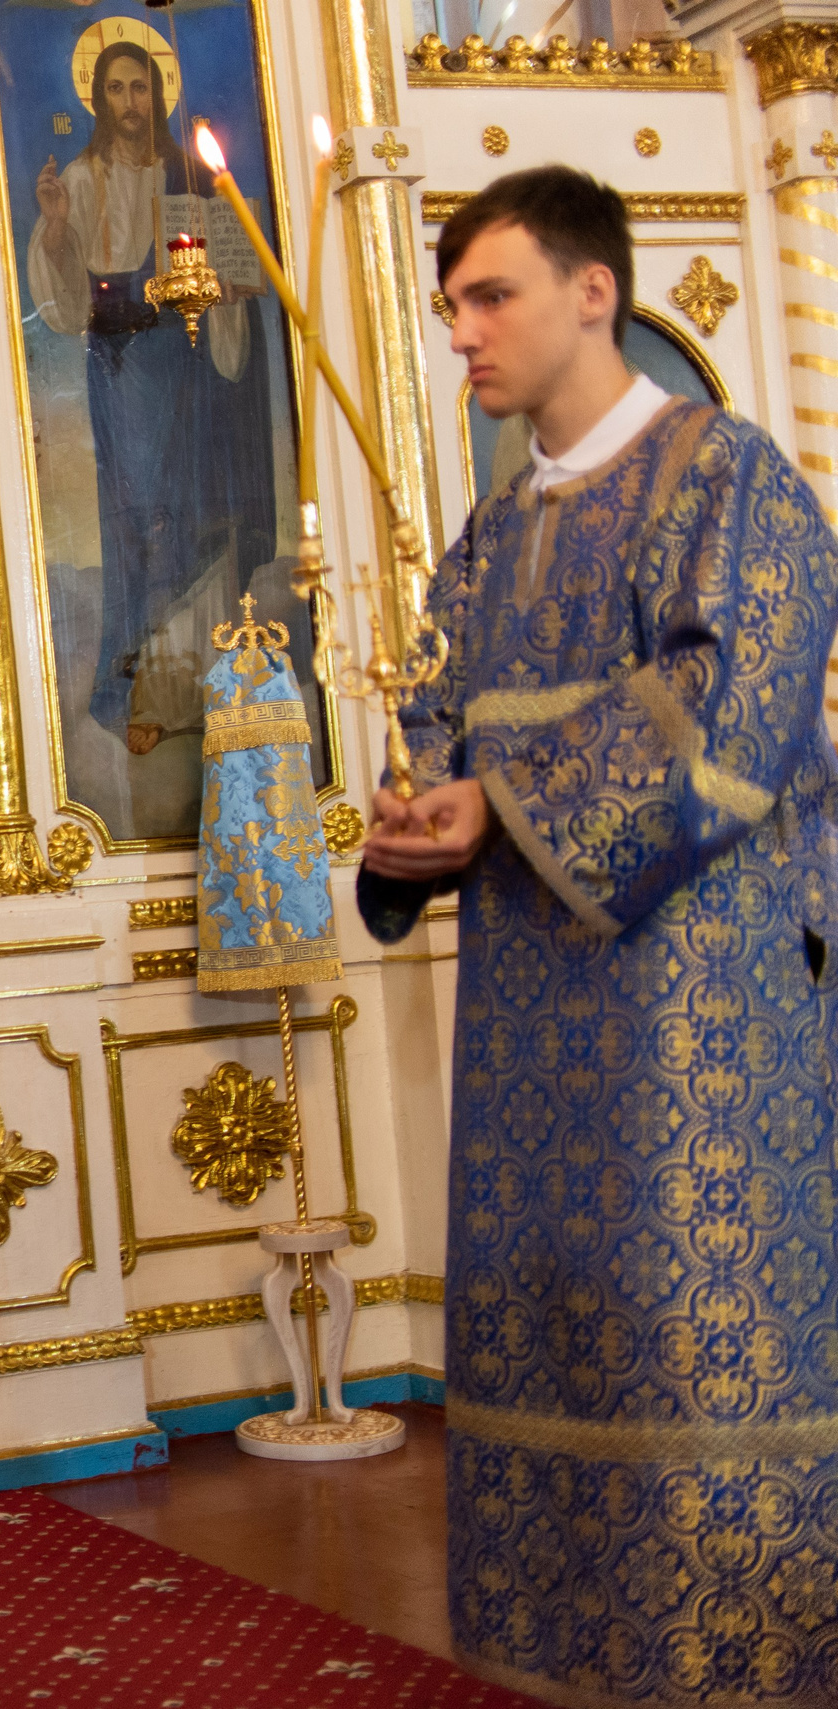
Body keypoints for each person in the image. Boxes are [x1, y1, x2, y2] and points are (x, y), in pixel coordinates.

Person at [359, 166, 838, 1706]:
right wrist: (420, 815)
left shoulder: (729, 476)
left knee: (688, 1341)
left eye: (490, 295)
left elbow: (733, 714)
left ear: (592, 292)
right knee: (551, 1330)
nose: (464, 333)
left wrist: (504, 799)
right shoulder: (492, 532)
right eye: (450, 307)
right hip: (526, 1023)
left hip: (694, 1013)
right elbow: (440, 722)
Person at [25, 37, 277, 740]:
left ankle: (193, 689)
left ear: (158, 95)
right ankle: (136, 688)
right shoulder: (78, 178)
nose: (130, 103)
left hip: (189, 360)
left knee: (193, 511)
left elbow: (233, 281)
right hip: (122, 366)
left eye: (141, 88)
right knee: (140, 517)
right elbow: (66, 305)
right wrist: (53, 230)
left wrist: (231, 285)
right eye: (116, 90)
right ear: (99, 98)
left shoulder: (191, 175)